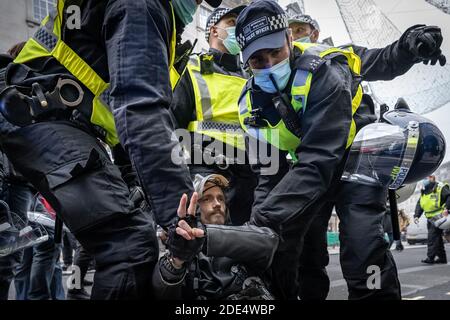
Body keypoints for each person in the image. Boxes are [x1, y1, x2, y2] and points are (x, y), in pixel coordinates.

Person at [0, 0, 222, 299]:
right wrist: (180, 219)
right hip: (34, 111)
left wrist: (135, 184)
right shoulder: (141, 6)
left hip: (48, 117)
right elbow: (140, 112)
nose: (195, 6)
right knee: (129, 246)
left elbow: (120, 120)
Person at [234, 0, 445, 300]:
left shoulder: (327, 69)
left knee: (363, 248)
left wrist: (408, 46)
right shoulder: (250, 108)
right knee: (295, 247)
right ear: (245, 61)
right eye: (257, 60)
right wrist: (256, 235)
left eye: (275, 53)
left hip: (358, 162)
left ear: (290, 41)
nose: (269, 65)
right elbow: (268, 177)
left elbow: (382, 60)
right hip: (309, 170)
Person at [171, 5, 257, 226]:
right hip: (205, 167)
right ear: (213, 31)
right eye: (231, 23)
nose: (237, 29)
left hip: (247, 172)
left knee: (243, 240)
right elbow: (172, 124)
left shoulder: (252, 76)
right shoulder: (192, 67)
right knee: (209, 237)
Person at [152, 174, 278, 300]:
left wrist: (205, 237)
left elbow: (269, 242)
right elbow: (161, 293)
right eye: (207, 199)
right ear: (195, 208)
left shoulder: (244, 233)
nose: (217, 204)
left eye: (221, 199)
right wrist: (176, 262)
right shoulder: (178, 243)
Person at [414, 175, 449, 264]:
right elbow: (420, 204)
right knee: (437, 239)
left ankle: (430, 258)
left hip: (439, 216)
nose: (424, 180)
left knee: (432, 237)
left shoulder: (440, 187)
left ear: (432, 178)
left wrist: (446, 208)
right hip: (430, 218)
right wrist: (416, 216)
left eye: (427, 177)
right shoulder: (424, 191)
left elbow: (449, 196)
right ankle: (442, 258)